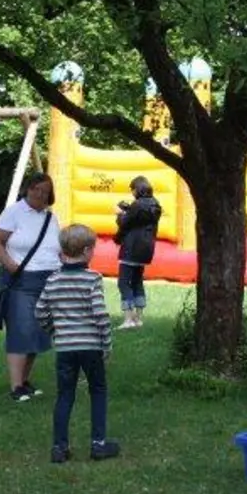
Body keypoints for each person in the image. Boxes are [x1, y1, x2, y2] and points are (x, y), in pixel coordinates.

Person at [35, 224, 118, 463]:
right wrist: (106, 343)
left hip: (65, 348)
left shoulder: (52, 280)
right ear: (86, 251)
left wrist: (56, 331)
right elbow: (100, 314)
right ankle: (98, 444)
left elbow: (40, 312)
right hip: (91, 346)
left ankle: (60, 448)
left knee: (65, 395)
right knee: (98, 391)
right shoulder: (92, 279)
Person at [0, 172, 62, 403]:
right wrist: (10, 265)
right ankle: (15, 386)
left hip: (49, 279)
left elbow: (57, 248)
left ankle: (24, 380)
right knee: (21, 330)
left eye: (45, 191)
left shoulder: (51, 218)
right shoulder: (14, 212)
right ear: (27, 189)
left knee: (39, 332)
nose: (40, 194)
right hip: (20, 279)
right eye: (36, 189)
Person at [113, 176, 162, 329]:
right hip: (146, 249)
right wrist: (128, 209)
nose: (132, 192)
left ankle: (128, 319)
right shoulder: (155, 205)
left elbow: (125, 223)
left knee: (123, 282)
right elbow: (140, 218)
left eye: (132, 189)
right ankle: (138, 318)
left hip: (131, 248)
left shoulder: (137, 205)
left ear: (137, 189)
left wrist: (119, 214)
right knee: (137, 281)